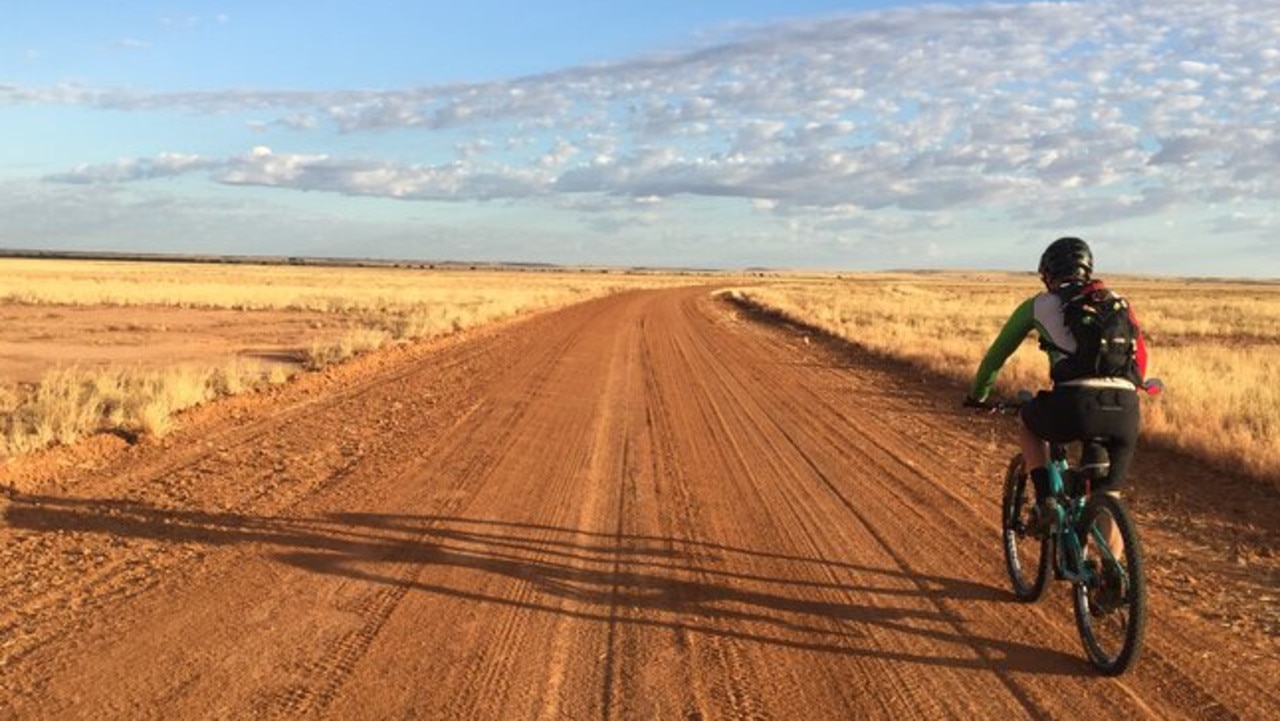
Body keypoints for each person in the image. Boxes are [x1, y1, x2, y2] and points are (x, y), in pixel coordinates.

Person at [965, 237, 1148, 534]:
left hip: (1074, 404)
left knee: (1028, 422)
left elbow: (997, 355)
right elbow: (1140, 357)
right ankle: (1109, 574)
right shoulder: (1117, 302)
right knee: (1106, 495)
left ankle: (1046, 499)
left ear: (1048, 274)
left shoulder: (1039, 304)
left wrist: (978, 394)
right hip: (1125, 408)